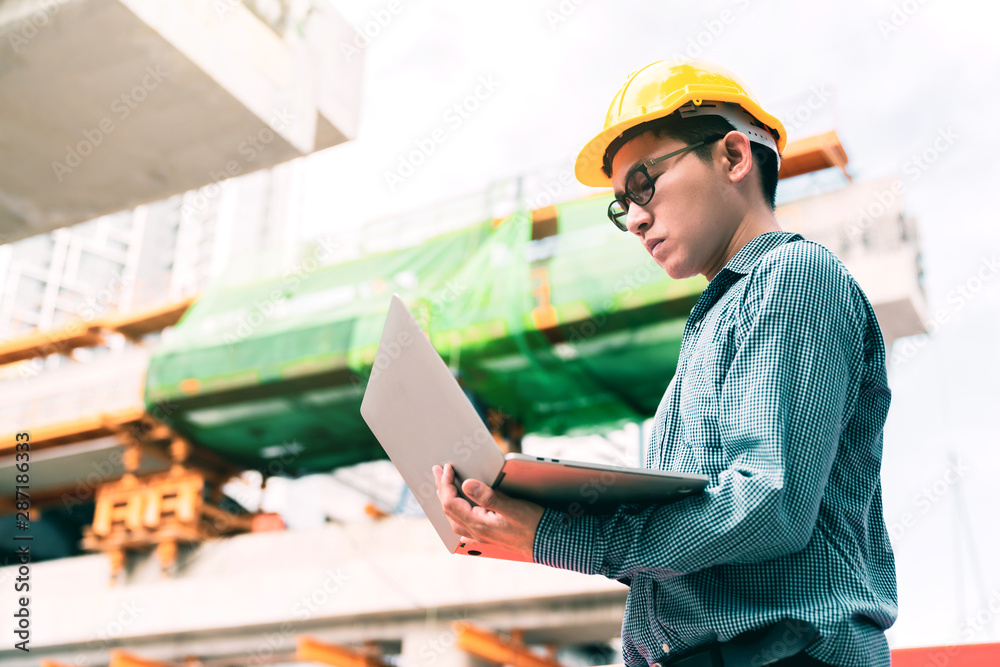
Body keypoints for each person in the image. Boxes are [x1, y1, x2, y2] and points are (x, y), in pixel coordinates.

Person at [433, 59, 897, 667]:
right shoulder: (715, 324)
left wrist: (560, 534)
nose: (635, 219)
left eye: (645, 183)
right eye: (621, 204)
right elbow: (696, 552)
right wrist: (531, 518)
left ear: (733, 158)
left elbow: (768, 508)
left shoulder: (793, 282)